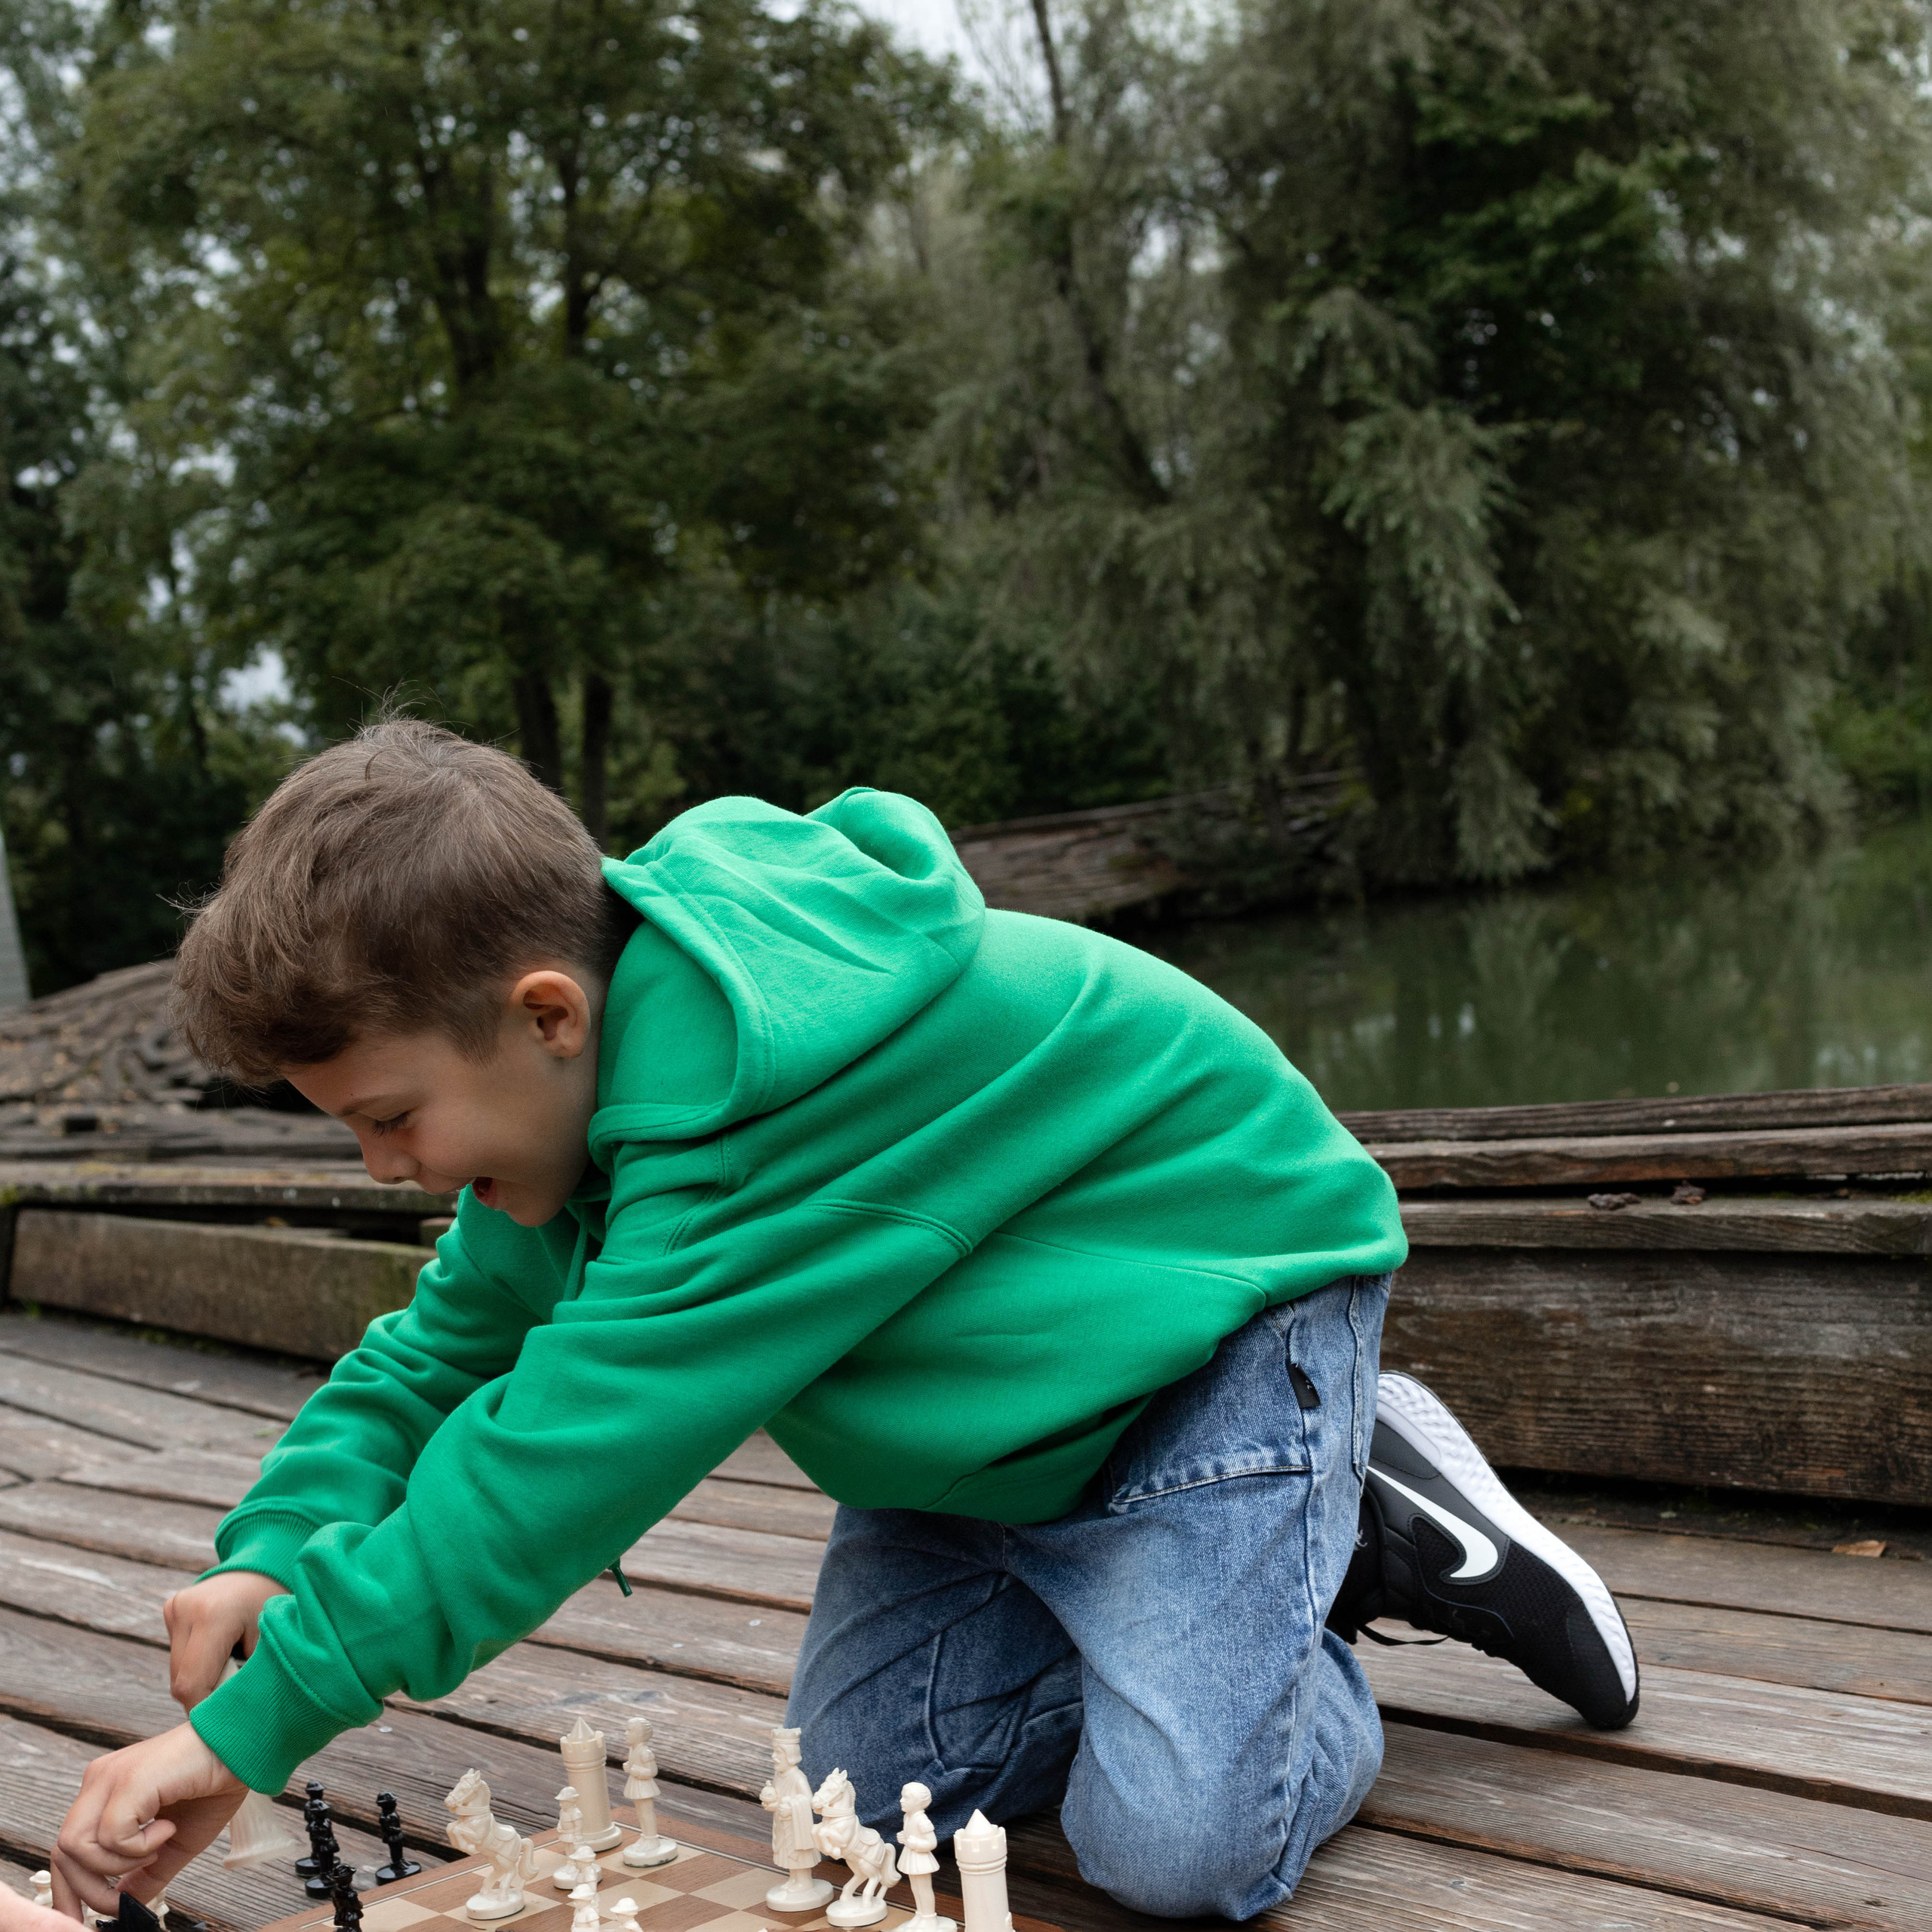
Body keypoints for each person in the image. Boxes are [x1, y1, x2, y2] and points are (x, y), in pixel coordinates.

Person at [51, 721, 1636, 1924]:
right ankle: (1221, 1595)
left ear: (545, 1012)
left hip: (1208, 1345)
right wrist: (278, 1538)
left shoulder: (750, 1117)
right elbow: (434, 1356)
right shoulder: (573, 1109)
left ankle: (1340, 1530)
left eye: (388, 1115)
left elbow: (554, 1461)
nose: (384, 1166)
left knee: (1179, 1847)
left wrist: (260, 1724)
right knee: (873, 1803)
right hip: (968, 1430)